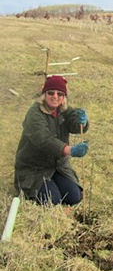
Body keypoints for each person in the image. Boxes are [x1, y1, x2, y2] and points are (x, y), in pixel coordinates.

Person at [14, 75, 89, 206]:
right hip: (34, 168)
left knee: (74, 197)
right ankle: (30, 187)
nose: (55, 96)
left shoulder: (64, 111)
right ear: (44, 94)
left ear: (64, 97)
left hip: (58, 167)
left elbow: (74, 123)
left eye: (60, 94)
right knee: (52, 200)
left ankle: (54, 182)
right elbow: (43, 139)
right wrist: (69, 150)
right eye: (51, 93)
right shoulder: (34, 113)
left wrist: (82, 122)